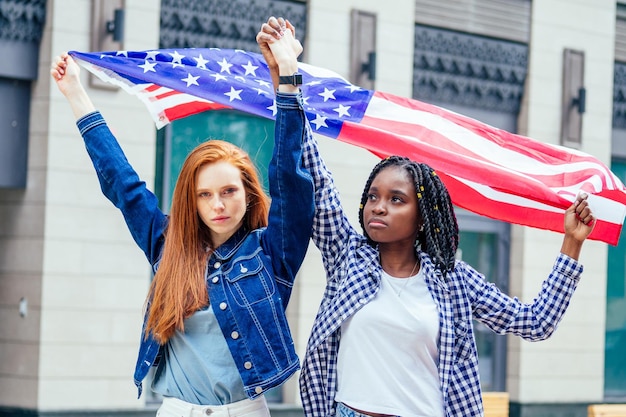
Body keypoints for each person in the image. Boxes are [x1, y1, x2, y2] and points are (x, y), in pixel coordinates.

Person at [257, 19, 596, 417]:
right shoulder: (347, 256)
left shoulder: (453, 280)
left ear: (422, 216)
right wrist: (287, 76)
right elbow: (314, 172)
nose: (377, 207)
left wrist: (571, 243)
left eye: (395, 199)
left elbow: (535, 322)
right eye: (372, 197)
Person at [50, 37, 314, 417]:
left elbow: (290, 177)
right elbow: (122, 184)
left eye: (228, 191)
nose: (217, 204)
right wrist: (76, 92)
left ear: (250, 193)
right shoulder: (167, 245)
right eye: (204, 195)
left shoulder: (272, 254)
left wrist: (288, 78)